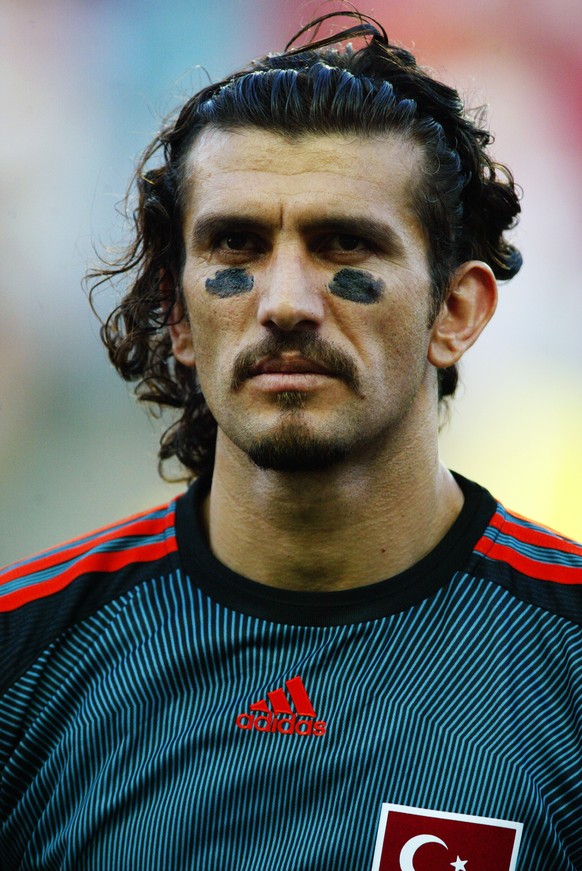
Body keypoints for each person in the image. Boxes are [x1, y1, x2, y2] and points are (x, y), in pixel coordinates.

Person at [1, 11, 581, 870]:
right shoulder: (26, 656)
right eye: (236, 244)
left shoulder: (561, 662)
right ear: (178, 313)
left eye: (344, 242)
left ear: (456, 311)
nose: (284, 302)